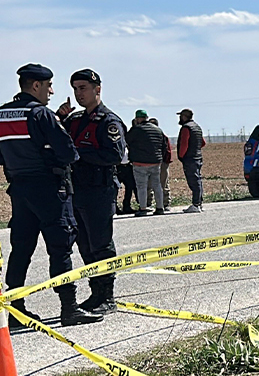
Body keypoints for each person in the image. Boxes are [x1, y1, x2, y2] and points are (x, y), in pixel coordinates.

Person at [0, 64, 102, 328]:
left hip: (19, 190)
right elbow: (68, 152)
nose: (52, 91)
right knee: (60, 248)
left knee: (21, 249)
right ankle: (69, 308)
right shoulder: (41, 115)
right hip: (49, 189)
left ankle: (15, 311)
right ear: (36, 86)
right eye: (49, 86)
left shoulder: (2, 115)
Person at [56, 69, 126, 315]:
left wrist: (79, 154)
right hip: (77, 191)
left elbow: (115, 156)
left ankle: (107, 296)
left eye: (83, 88)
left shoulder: (109, 121)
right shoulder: (73, 120)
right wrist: (58, 117)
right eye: (75, 88)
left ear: (98, 89)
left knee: (101, 244)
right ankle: (96, 292)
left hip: (100, 190)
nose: (78, 93)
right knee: (84, 245)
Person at [125, 110, 167, 216]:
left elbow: (127, 140)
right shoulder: (158, 130)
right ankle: (160, 207)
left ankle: (143, 208)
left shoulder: (136, 130)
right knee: (157, 185)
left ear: (137, 118)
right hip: (156, 162)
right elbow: (164, 145)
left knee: (141, 186)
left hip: (140, 162)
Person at [176, 108, 204, 212]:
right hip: (198, 157)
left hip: (190, 159)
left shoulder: (186, 128)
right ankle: (199, 203)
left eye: (180, 116)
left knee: (193, 181)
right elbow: (203, 142)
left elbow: (184, 143)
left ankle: (196, 204)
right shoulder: (197, 127)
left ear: (184, 117)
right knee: (198, 180)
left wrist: (181, 156)